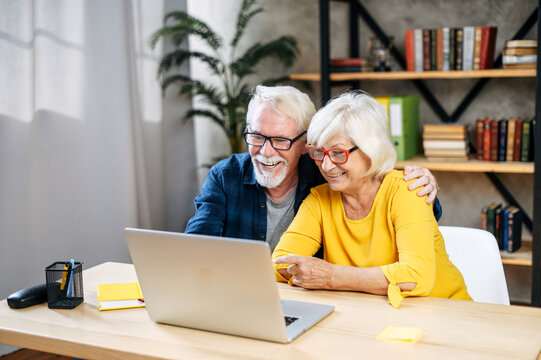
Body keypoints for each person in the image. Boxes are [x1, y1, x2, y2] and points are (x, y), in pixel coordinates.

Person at [185, 85, 442, 253]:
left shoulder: (325, 172)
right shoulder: (225, 175)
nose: (265, 152)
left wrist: (421, 184)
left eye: (280, 140)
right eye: (256, 136)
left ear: (305, 143)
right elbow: (195, 246)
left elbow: (382, 197)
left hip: (314, 301)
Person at [272, 91, 471, 305]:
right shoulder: (319, 200)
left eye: (339, 153)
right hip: (376, 313)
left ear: (371, 150)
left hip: (446, 310)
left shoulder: (407, 190)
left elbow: (416, 277)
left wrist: (330, 276)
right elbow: (278, 264)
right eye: (319, 152)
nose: (326, 165)